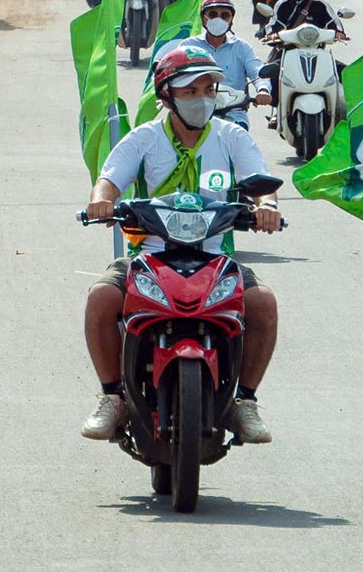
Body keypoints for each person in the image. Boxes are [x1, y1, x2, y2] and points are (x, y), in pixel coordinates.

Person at [82, 45, 282, 443]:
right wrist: (100, 200)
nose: (202, 99)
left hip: (214, 257)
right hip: (151, 256)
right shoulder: (144, 138)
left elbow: (261, 183)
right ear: (167, 95)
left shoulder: (231, 136)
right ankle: (113, 397)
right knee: (101, 298)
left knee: (263, 303)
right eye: (190, 91)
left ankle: (245, 401)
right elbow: (110, 179)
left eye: (209, 90)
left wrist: (266, 207)